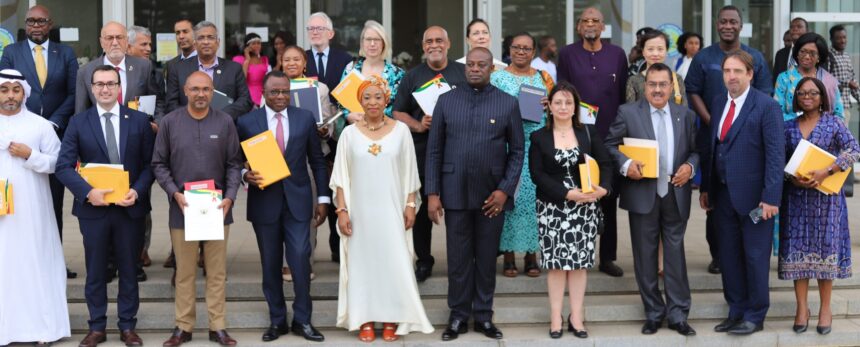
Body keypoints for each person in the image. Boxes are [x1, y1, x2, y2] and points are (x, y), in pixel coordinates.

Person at [426, 47, 525, 341]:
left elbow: (517, 152)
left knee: (484, 260)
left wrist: (504, 191)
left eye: (482, 65)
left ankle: (483, 316)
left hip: (491, 199)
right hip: (454, 194)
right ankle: (457, 316)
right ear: (465, 67)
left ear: (491, 68)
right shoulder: (446, 101)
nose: (475, 69)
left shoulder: (507, 103)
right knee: (457, 261)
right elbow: (433, 151)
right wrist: (432, 193)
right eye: (470, 64)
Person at [55, 65, 155, 347]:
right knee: (96, 271)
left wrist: (137, 191)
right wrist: (88, 193)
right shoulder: (78, 122)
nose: (105, 89)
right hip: (94, 210)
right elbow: (63, 167)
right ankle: (97, 327)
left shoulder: (138, 121)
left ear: (119, 87)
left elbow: (150, 166)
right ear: (91, 88)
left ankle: (127, 327)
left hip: (129, 208)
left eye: (111, 83)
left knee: (128, 269)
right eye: (99, 84)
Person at [330, 75, 434, 343]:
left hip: (392, 209)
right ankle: (364, 318)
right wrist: (342, 211)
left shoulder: (401, 131)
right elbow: (341, 176)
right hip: (359, 212)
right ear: (360, 101)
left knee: (392, 262)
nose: (373, 102)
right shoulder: (349, 134)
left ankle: (391, 318)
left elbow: (410, 170)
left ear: (386, 100)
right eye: (367, 97)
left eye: (378, 97)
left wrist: (411, 205)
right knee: (363, 264)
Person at [605, 63, 699, 337]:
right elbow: (611, 145)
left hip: (674, 192)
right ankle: (654, 313)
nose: (657, 89)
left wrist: (690, 168)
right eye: (652, 84)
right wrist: (626, 165)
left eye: (662, 84)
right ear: (644, 87)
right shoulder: (627, 112)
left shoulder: (686, 114)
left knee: (675, 256)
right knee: (644, 257)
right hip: (642, 193)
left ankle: (679, 314)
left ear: (672, 87)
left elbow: (696, 151)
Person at [236, 71, 328, 342]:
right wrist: (245, 176)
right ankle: (277, 321)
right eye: (274, 92)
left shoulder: (304, 118)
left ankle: (303, 319)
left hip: (299, 201)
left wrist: (322, 198)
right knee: (271, 263)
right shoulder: (246, 122)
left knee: (300, 258)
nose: (280, 97)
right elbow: (235, 160)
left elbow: (317, 161)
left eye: (285, 91)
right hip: (265, 202)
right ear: (263, 94)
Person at [153, 72, 243, 346]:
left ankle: (218, 327)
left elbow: (234, 164)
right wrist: (174, 193)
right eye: (195, 89)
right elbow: (158, 164)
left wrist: (229, 197)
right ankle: (183, 327)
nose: (201, 94)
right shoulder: (170, 122)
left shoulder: (225, 121)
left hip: (217, 209)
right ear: (185, 90)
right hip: (183, 208)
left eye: (206, 89)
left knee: (216, 272)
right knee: (185, 272)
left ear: (213, 91)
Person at [701, 50, 784, 336]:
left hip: (756, 199)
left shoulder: (766, 106)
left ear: (750, 74)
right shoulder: (717, 102)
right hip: (723, 197)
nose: (731, 77)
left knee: (755, 256)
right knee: (729, 256)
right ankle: (735, 310)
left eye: (737, 71)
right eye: (727, 71)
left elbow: (775, 156)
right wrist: (706, 189)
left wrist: (771, 197)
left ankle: (755, 314)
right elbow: (713, 149)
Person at [685, 5, 773, 275]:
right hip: (714, 139)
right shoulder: (703, 57)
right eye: (723, 21)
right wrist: (713, 120)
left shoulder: (754, 57)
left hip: (747, 142)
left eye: (733, 21)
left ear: (741, 25)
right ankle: (718, 255)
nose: (728, 26)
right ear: (717, 24)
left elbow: (765, 95)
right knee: (714, 198)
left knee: (743, 199)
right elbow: (692, 90)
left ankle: (744, 255)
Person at [0, 5, 79, 279]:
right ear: (26, 24)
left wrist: (49, 124)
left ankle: (52, 258)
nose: (36, 25)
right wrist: (26, 121)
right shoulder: (11, 52)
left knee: (52, 201)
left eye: (41, 21)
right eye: (31, 21)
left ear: (50, 24)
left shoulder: (65, 53)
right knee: (16, 201)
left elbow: (73, 93)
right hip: (18, 133)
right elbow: (9, 90)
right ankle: (15, 259)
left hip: (56, 133)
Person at [529, 81, 611, 339]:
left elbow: (606, 163)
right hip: (553, 208)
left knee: (579, 265)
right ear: (549, 107)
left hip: (584, 207)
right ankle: (556, 316)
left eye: (568, 102)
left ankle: (576, 316)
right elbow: (537, 174)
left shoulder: (588, 133)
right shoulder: (539, 136)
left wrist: (603, 190)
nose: (563, 107)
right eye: (558, 102)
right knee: (555, 265)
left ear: (575, 107)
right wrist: (566, 193)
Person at [780, 77, 858, 335]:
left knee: (825, 253)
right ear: (796, 97)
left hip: (827, 201)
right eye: (802, 92)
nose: (807, 96)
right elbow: (779, 161)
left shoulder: (834, 122)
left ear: (823, 96)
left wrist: (828, 170)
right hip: (797, 199)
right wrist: (792, 177)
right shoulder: (788, 127)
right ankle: (802, 308)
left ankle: (825, 309)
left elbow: (854, 150)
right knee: (798, 254)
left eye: (813, 92)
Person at [0, 68, 70, 346]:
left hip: (32, 211)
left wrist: (31, 155)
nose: (10, 95)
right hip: (2, 215)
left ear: (24, 93)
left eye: (15, 90)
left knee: (34, 263)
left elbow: (57, 163)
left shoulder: (40, 125)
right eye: (4, 90)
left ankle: (43, 328)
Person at [557, 6, 628, 277]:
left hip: (610, 137)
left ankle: (607, 257)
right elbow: (563, 93)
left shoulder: (617, 55)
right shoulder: (567, 54)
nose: (590, 24)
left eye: (595, 21)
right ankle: (577, 253)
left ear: (603, 27)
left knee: (607, 196)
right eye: (585, 20)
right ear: (578, 27)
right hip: (577, 135)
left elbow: (623, 96)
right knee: (577, 195)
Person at [392, 26, 467, 282]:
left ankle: (461, 260)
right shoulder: (412, 76)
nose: (434, 45)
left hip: (458, 151)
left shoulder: (463, 72)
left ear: (448, 44)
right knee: (424, 210)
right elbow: (397, 111)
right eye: (429, 41)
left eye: (439, 40)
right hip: (424, 152)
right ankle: (424, 260)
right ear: (423, 47)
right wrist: (418, 124)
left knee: (458, 207)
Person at [490, 31, 554, 278]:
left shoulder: (543, 77)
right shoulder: (497, 77)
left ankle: (531, 255)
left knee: (533, 203)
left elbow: (556, 108)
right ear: (509, 50)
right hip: (506, 148)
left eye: (526, 48)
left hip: (536, 146)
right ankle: (508, 256)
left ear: (534, 52)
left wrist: (549, 105)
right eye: (517, 47)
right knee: (510, 201)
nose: (521, 52)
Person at [279, 44, 338, 281]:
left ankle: (305, 260)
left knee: (308, 212)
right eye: (287, 60)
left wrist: (325, 129)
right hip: (282, 157)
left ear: (305, 63)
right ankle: (286, 262)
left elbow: (329, 120)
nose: (291, 63)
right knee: (284, 212)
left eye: (296, 59)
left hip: (311, 158)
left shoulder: (320, 88)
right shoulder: (273, 86)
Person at [165, 21, 253, 120]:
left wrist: (221, 115)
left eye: (210, 37)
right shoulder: (177, 69)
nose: (206, 42)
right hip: (188, 128)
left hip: (223, 127)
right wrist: (193, 115)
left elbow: (245, 101)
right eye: (201, 38)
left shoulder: (234, 69)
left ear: (218, 42)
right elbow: (171, 104)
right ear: (195, 43)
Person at [127, 25, 161, 273]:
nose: (149, 49)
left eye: (150, 44)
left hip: (143, 141)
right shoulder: (107, 70)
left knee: (142, 196)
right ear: (129, 46)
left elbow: (157, 101)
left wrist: (156, 122)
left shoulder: (149, 69)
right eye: (144, 44)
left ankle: (141, 248)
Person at [76, 21, 163, 117]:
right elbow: (81, 113)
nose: (115, 43)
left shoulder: (144, 67)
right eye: (109, 38)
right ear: (101, 42)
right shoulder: (85, 72)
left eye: (119, 37)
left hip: (137, 130)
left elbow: (158, 102)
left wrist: (156, 124)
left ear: (127, 41)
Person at [337, 20, 404, 133]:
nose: (372, 44)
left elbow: (401, 108)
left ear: (383, 43)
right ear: (362, 43)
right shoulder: (351, 69)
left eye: (377, 39)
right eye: (368, 39)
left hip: (386, 134)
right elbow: (341, 102)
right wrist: (348, 116)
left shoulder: (396, 74)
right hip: (356, 133)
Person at [775, 33, 844, 122]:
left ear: (819, 57)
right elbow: (777, 113)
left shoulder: (829, 80)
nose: (807, 57)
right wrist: (802, 122)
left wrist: (822, 128)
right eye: (803, 51)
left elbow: (839, 115)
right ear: (797, 54)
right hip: (791, 132)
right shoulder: (784, 78)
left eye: (812, 53)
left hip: (823, 133)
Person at [626, 29, 687, 107]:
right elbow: (630, 114)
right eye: (650, 49)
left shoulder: (676, 79)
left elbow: (684, 112)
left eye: (660, 49)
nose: (655, 53)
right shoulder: (633, 81)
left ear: (666, 51)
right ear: (643, 52)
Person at [305, 12, 353, 101]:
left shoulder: (345, 59)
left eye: (319, 28)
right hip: (309, 113)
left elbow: (350, 93)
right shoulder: (301, 59)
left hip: (339, 113)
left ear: (330, 34)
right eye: (311, 29)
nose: (315, 32)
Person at [827, 25, 859, 124]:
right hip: (832, 108)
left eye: (844, 37)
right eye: (838, 38)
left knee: (843, 138)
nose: (842, 40)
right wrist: (847, 83)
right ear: (831, 39)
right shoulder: (827, 56)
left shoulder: (846, 56)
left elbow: (852, 81)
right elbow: (826, 79)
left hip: (845, 108)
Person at [233, 33, 271, 107]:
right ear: (247, 46)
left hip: (262, 96)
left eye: (258, 43)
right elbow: (242, 80)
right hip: (246, 95)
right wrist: (247, 60)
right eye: (253, 43)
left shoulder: (264, 59)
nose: (257, 46)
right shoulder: (238, 59)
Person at [162, 18, 198, 88]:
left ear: (195, 34)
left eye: (185, 32)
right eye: (178, 33)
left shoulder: (204, 61)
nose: (181, 36)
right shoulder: (171, 64)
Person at [773, 17, 808, 85]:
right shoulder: (780, 54)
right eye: (792, 27)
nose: (795, 29)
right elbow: (775, 78)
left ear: (807, 31)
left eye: (799, 26)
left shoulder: (814, 53)